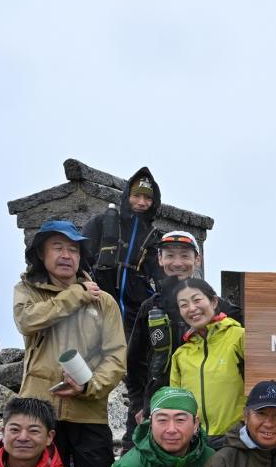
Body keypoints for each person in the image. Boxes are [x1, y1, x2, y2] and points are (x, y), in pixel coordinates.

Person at [13, 220, 126, 467]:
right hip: (39, 414)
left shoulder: (103, 301)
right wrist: (75, 295)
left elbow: (116, 356)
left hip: (88, 412)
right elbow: (28, 322)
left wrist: (89, 386)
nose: (66, 255)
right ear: (42, 255)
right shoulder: (27, 292)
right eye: (58, 248)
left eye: (74, 249)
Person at [125, 232, 242, 447]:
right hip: (155, 409)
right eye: (169, 255)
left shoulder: (218, 307)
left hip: (204, 416)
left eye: (185, 256)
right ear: (160, 259)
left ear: (197, 259)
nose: (177, 263)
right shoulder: (150, 308)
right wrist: (138, 405)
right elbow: (134, 363)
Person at [83, 167, 164, 335]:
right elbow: (81, 259)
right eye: (136, 196)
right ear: (127, 196)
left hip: (136, 311)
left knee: (132, 356)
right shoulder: (101, 222)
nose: (142, 202)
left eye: (148, 198)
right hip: (99, 301)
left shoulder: (154, 237)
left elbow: (161, 276)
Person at [168, 277, 246, 443]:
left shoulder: (239, 337)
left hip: (236, 440)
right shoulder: (181, 354)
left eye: (197, 300)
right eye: (184, 305)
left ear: (214, 301)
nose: (192, 308)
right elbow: (177, 403)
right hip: (196, 443)